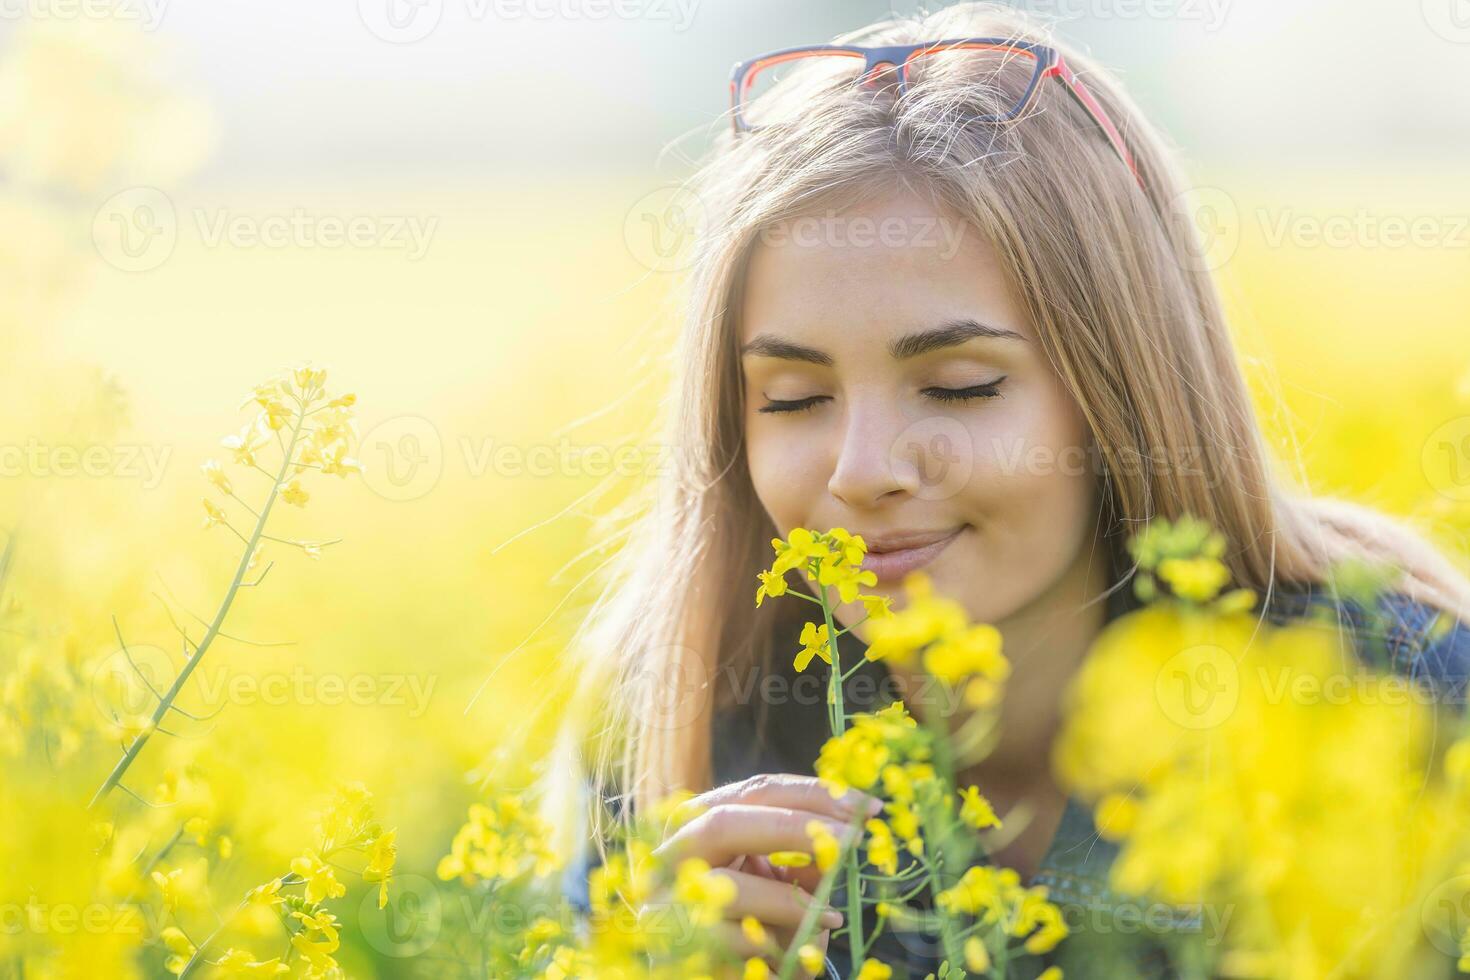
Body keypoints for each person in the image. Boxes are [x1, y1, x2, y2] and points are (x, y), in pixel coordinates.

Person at [555, 3, 1470, 976]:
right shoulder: (690, 715)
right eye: (795, 397)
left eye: (960, 387)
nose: (862, 468)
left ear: (1121, 389)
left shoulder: (1392, 696)